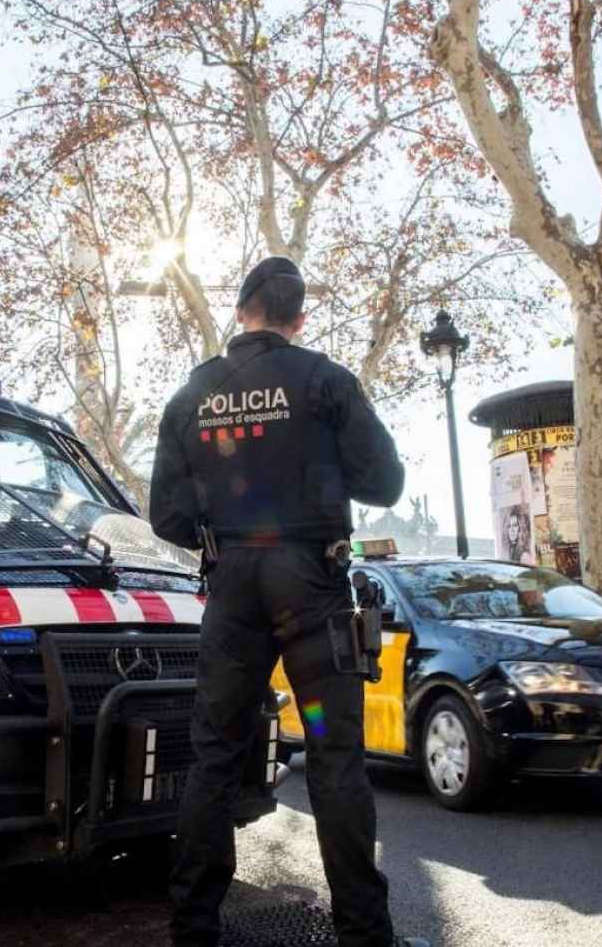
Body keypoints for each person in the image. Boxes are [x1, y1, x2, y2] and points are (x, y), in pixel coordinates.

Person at [150, 256, 426, 947]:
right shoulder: (325, 380)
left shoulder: (192, 395)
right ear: (299, 320)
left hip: (232, 583)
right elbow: (384, 483)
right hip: (311, 580)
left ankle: (193, 929)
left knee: (215, 755)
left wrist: (220, 533)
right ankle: (363, 933)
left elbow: (166, 516)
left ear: (239, 310)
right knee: (335, 758)